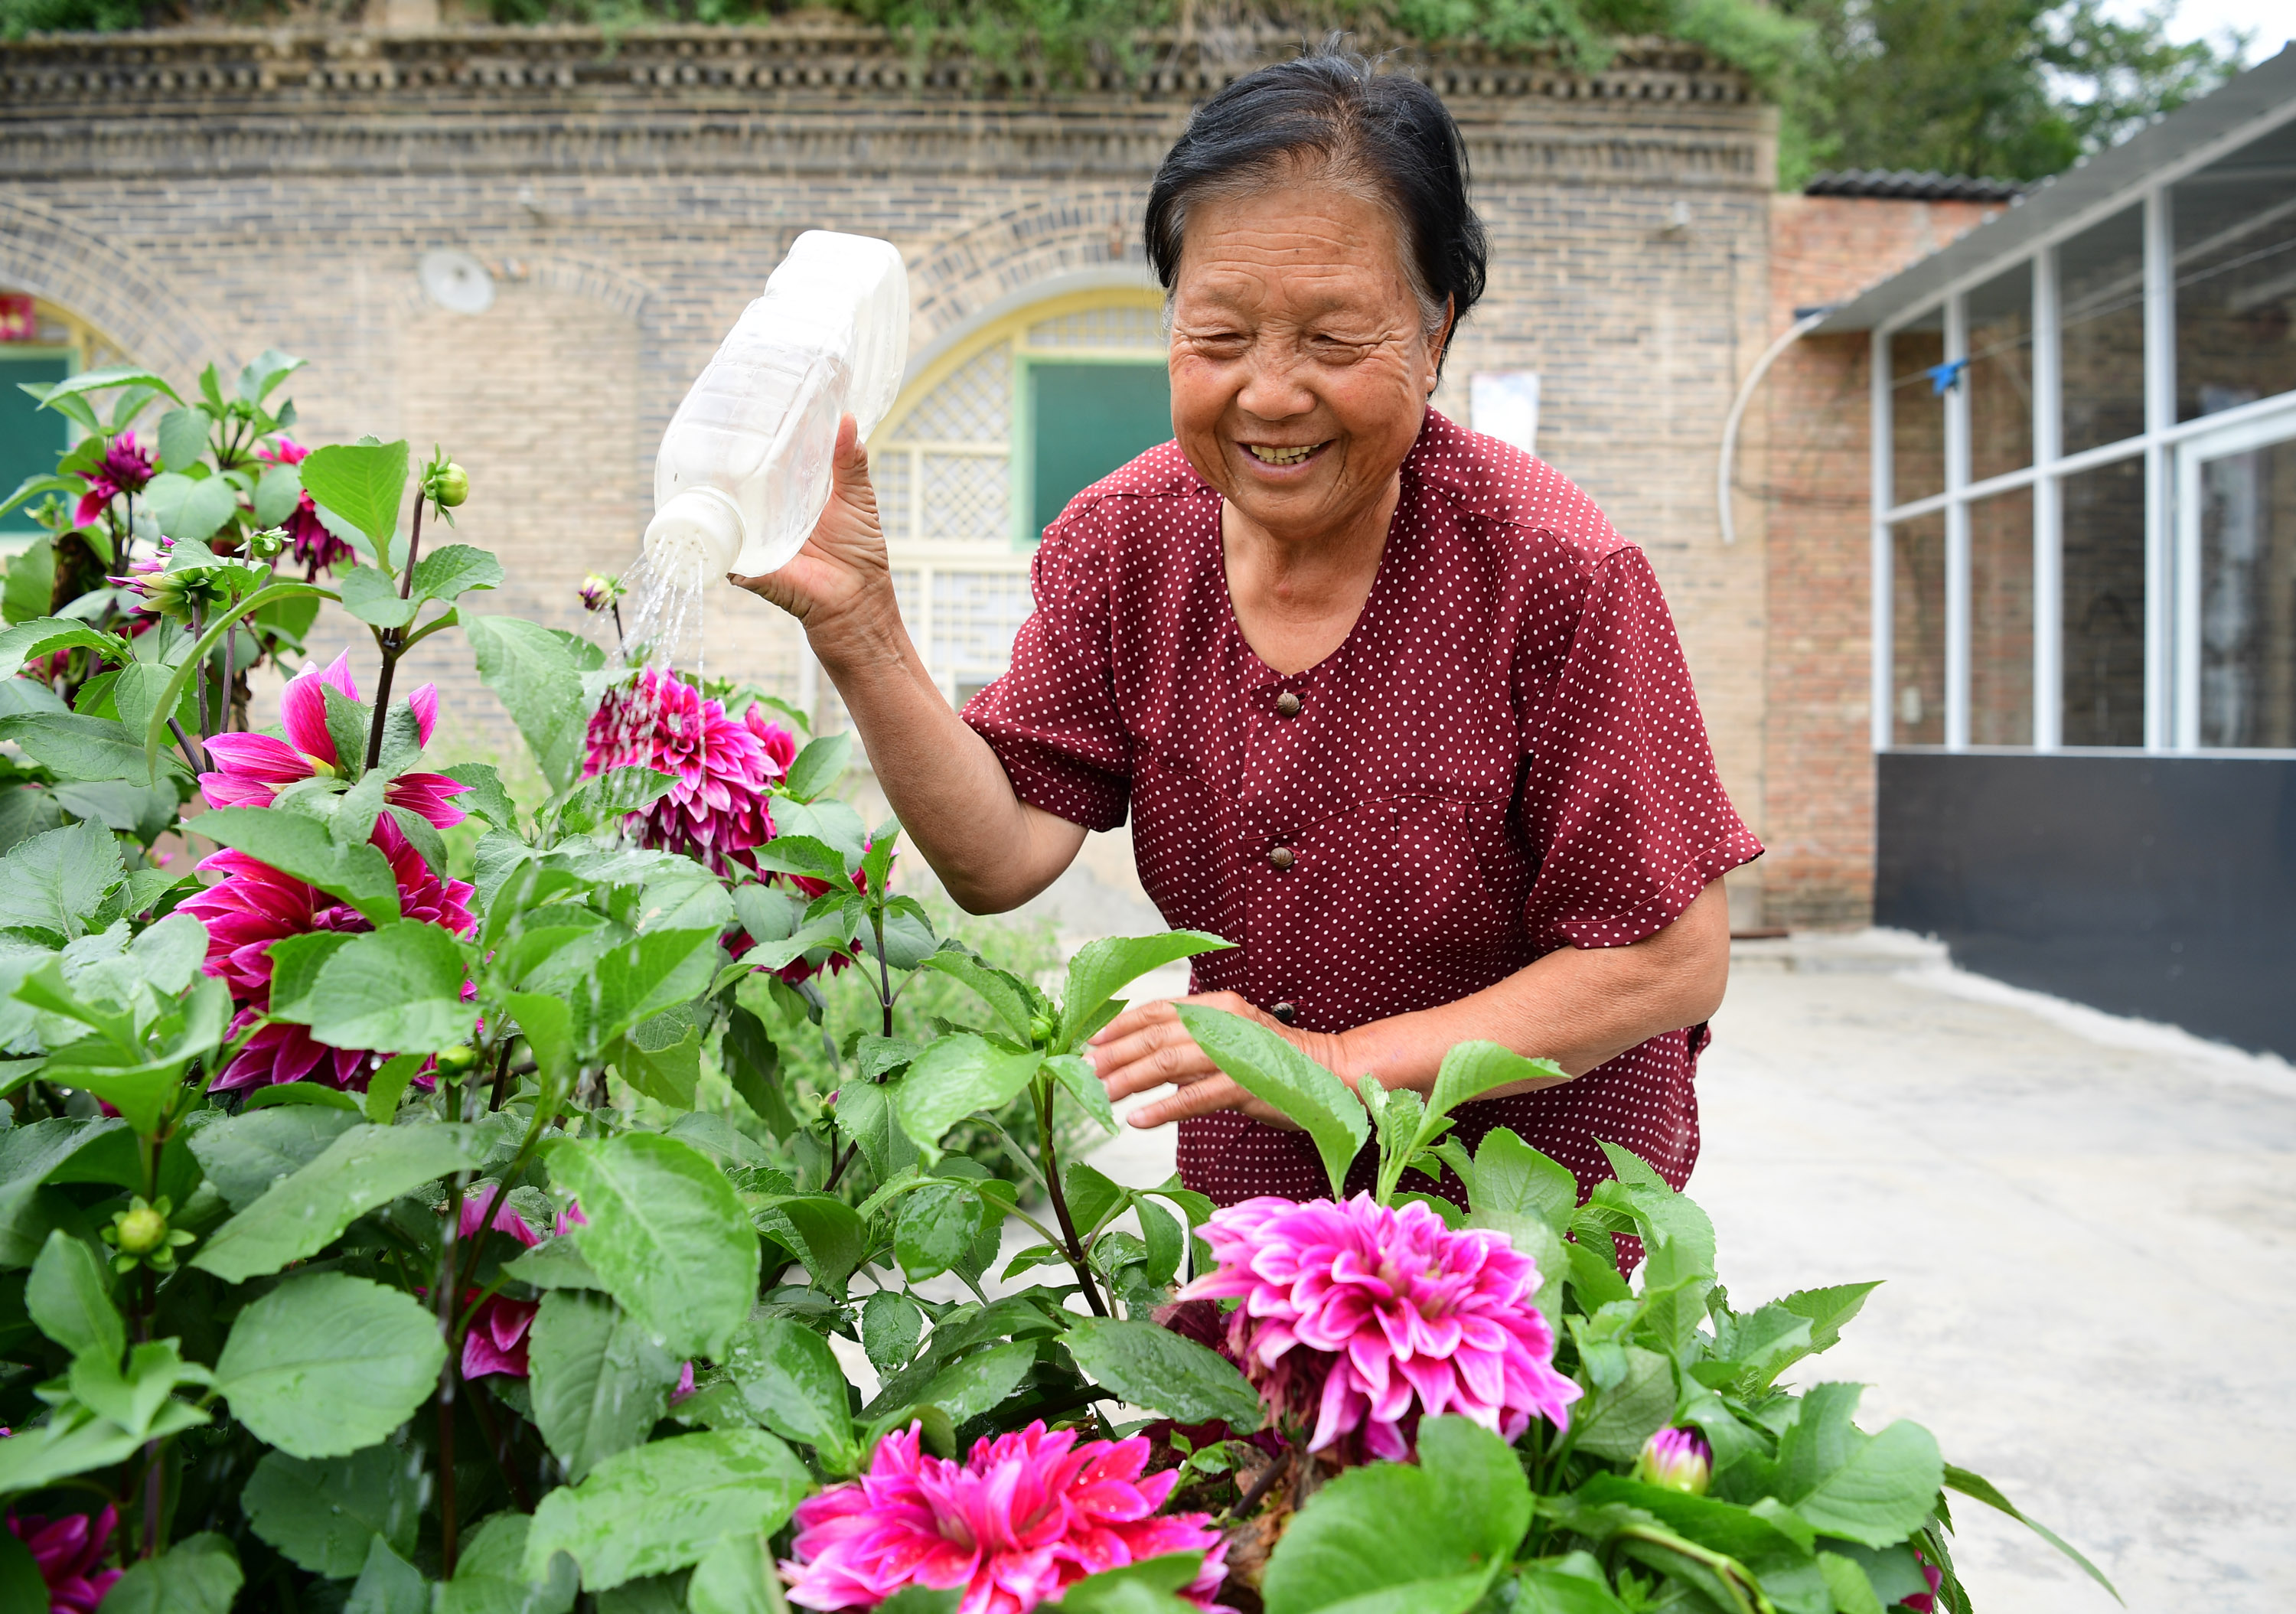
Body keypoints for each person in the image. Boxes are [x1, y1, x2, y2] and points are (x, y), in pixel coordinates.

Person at [732, 43, 1762, 1212]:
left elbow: (1673, 958)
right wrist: (862, 629)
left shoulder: (1555, 573)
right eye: (1219, 337)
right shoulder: (1124, 543)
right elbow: (1000, 852)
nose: (1269, 394)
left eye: (1332, 341)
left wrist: (1321, 1067)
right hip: (1267, 1206)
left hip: (1535, 1211)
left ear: (1436, 337)